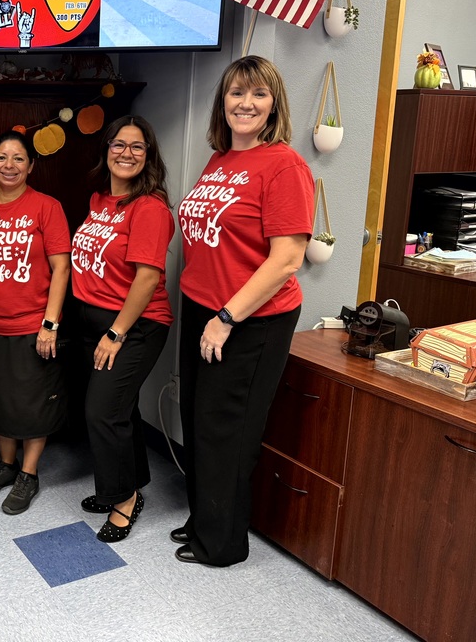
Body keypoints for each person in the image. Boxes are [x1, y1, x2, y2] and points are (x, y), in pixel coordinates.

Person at [173, 55, 314, 567]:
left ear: (273, 103)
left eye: (257, 94)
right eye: (236, 93)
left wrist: (227, 317)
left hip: (248, 320)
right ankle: (204, 521)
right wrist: (207, 310)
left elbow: (287, 259)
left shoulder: (285, 166)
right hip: (203, 307)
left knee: (226, 430)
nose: (245, 103)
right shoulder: (220, 160)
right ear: (223, 102)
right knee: (198, 420)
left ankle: (223, 544)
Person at [71, 116, 175, 543]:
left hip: (135, 326)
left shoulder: (150, 208)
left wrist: (115, 334)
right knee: (122, 408)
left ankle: (124, 499)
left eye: (137, 147)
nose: (127, 153)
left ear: (148, 156)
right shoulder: (98, 201)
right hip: (93, 320)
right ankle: (126, 483)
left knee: (103, 411)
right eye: (119, 144)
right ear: (106, 150)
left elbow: (147, 278)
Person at [0, 130, 71, 515]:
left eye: (18, 158)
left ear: (31, 165)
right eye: (2, 158)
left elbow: (61, 268)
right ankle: (6, 466)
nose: (10, 165)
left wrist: (50, 324)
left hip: (32, 325)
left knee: (32, 402)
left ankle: (29, 473)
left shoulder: (46, 207)